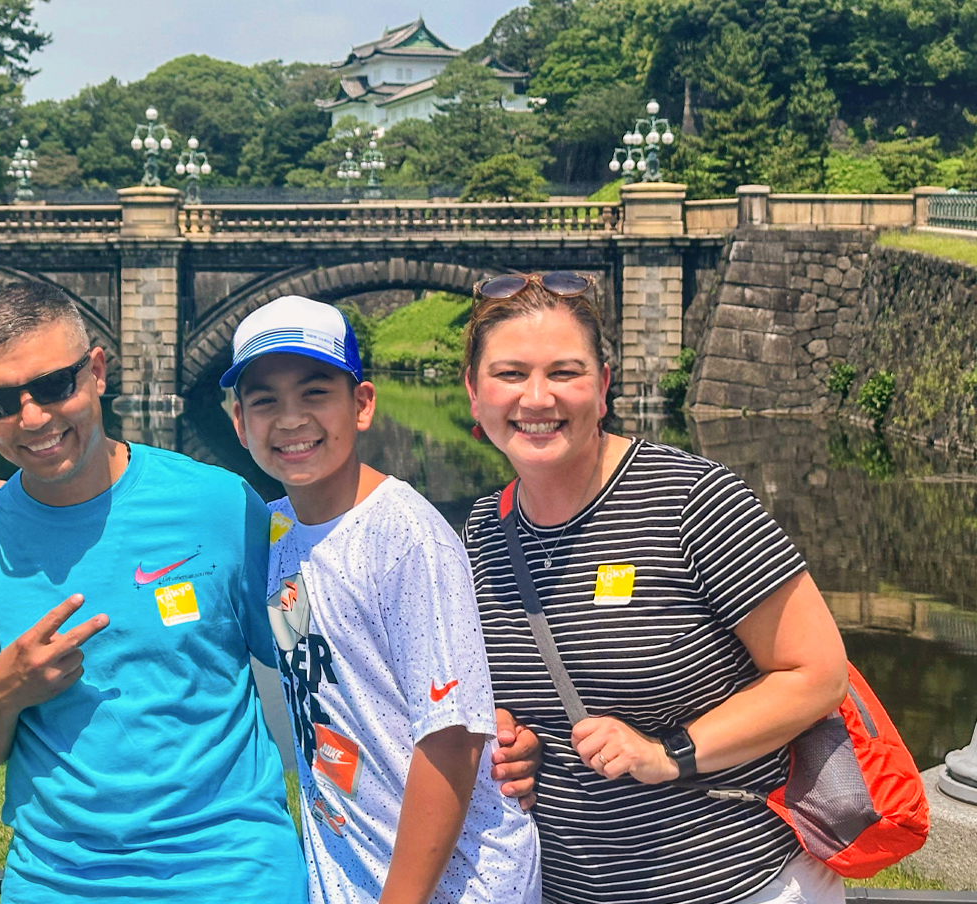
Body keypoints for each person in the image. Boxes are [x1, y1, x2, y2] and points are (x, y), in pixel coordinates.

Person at [458, 271, 851, 904]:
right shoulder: (483, 530)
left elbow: (817, 673)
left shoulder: (692, 500)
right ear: (474, 393)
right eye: (509, 374)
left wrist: (669, 753)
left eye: (565, 372)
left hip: (733, 884)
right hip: (565, 889)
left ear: (604, 385)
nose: (537, 398)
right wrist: (513, 745)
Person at [0, 280, 306, 903]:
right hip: (59, 880)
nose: (32, 417)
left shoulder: (218, 504)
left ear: (98, 371)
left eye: (55, 386)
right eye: (0, 401)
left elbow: (314, 663)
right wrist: (3, 694)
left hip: (233, 872)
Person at [225, 295, 540, 904]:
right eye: (265, 401)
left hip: (453, 883)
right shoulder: (274, 530)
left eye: (315, 393)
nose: (291, 420)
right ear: (239, 423)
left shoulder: (405, 536)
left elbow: (451, 738)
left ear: (362, 405)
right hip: (353, 865)